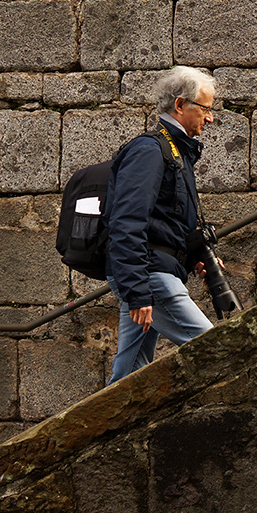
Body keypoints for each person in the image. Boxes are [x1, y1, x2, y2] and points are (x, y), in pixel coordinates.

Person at [102, 66, 218, 384]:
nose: (209, 118)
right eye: (205, 109)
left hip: (151, 272)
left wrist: (195, 255)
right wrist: (138, 291)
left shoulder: (175, 153)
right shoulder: (150, 151)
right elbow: (126, 222)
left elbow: (168, 224)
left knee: (129, 376)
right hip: (150, 276)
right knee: (218, 351)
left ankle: (107, 434)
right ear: (180, 105)